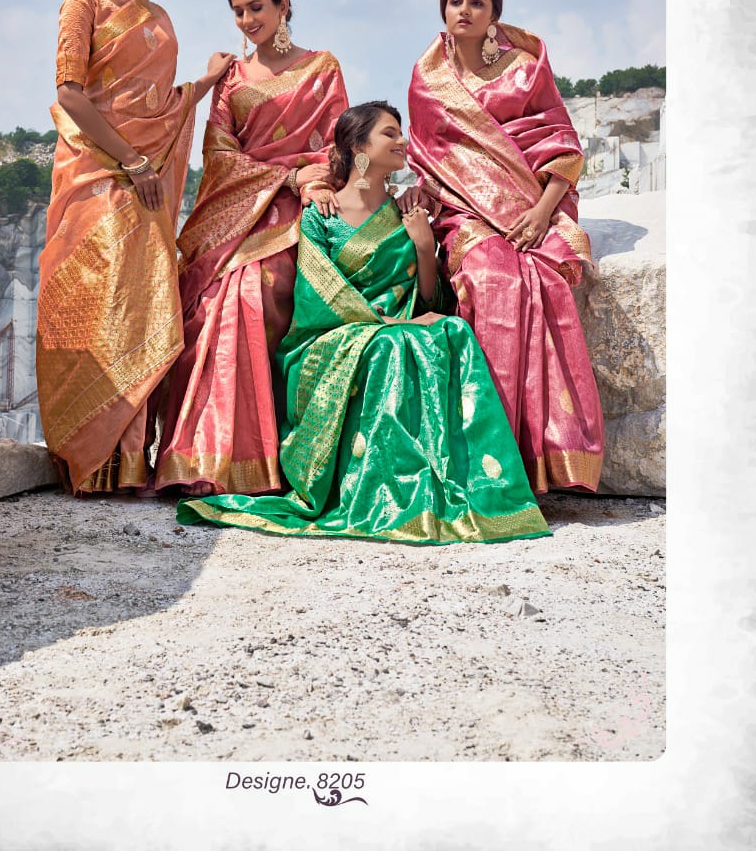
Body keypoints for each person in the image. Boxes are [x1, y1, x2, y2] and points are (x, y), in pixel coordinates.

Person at [177, 102, 550, 544]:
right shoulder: (321, 215)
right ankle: (383, 496)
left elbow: (428, 300)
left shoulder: (406, 214)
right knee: (389, 345)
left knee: (453, 332)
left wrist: (423, 246)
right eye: (389, 134)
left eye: (401, 133)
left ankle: (468, 488)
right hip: (328, 340)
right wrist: (385, 321)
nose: (402, 142)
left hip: (393, 328)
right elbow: (317, 299)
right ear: (357, 147)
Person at [36, 0, 234, 495]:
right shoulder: (84, 0)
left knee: (139, 304)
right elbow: (70, 93)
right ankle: (86, 459)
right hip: (95, 170)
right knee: (93, 297)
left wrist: (205, 82)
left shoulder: (161, 20)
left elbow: (162, 106)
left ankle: (128, 462)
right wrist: (132, 161)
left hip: (146, 179)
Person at [405, 0, 604, 494]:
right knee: (493, 279)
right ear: (443, 10)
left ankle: (540, 459)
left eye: (477, 2)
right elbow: (431, 159)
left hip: (532, 203)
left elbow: (563, 146)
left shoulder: (524, 70)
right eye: (456, 1)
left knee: (542, 281)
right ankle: (489, 459)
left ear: (495, 13)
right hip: (464, 211)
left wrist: (541, 212)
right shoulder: (429, 78)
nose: (464, 10)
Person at [154, 0, 349, 495]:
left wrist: (310, 180)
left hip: (302, 205)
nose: (246, 20)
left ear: (283, 5)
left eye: (256, 7)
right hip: (239, 210)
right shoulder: (233, 79)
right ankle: (202, 457)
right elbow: (219, 154)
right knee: (206, 305)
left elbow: (339, 143)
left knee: (256, 292)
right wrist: (281, 176)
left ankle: (253, 461)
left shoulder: (322, 67)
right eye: (238, 11)